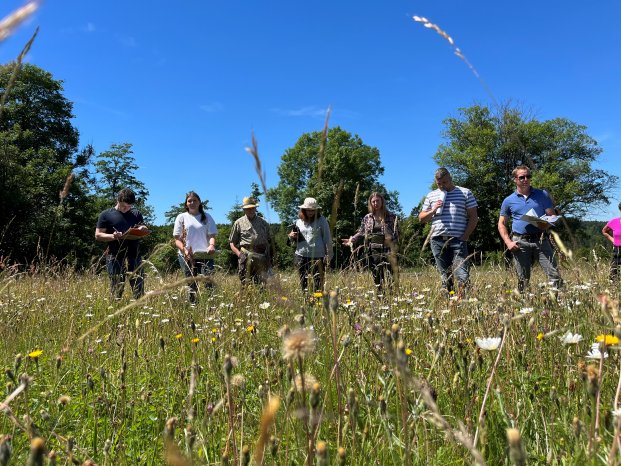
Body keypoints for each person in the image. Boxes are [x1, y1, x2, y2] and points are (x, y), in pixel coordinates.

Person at [498, 165, 561, 292]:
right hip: (520, 241)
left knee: (554, 275)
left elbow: (552, 215)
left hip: (541, 239)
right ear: (515, 179)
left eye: (528, 176)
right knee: (523, 278)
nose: (525, 179)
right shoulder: (508, 200)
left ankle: (558, 303)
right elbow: (501, 223)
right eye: (522, 177)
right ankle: (524, 305)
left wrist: (545, 223)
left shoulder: (542, 194)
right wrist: (508, 242)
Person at [419, 167, 478, 296]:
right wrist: (433, 210)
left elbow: (474, 217)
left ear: (450, 179)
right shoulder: (431, 195)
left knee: (462, 274)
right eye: (439, 183)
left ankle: (465, 303)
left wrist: (464, 237)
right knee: (445, 276)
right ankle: (449, 304)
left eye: (444, 182)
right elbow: (422, 218)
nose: (442, 186)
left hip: (458, 239)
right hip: (437, 240)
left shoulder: (465, 192)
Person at [95, 188, 149, 300]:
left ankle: (139, 309)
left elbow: (142, 228)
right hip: (114, 255)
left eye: (129, 207)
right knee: (116, 288)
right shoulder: (105, 214)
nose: (126, 209)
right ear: (117, 200)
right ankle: (115, 310)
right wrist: (112, 236)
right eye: (124, 206)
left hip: (134, 255)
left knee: (138, 288)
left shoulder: (136, 213)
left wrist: (143, 228)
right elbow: (98, 235)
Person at [342, 192, 399, 293]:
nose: (375, 203)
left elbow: (397, 234)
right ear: (370, 203)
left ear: (382, 201)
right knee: (377, 276)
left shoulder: (391, 216)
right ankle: (381, 298)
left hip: (389, 250)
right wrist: (352, 239)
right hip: (373, 251)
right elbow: (361, 232)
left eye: (377, 201)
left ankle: (392, 298)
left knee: (391, 277)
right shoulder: (367, 217)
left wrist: (391, 241)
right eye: (373, 202)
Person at [173, 191, 218, 303]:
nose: (192, 203)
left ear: (199, 203)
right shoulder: (181, 217)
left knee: (208, 281)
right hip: (187, 255)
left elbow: (212, 235)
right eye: (189, 201)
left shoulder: (207, 217)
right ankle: (193, 305)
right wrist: (184, 250)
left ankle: (211, 306)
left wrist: (212, 245)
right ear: (186, 203)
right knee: (191, 283)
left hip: (205, 255)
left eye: (195, 200)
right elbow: (177, 239)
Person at [288, 198, 333, 293]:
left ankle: (318, 304)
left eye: (313, 210)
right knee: (303, 284)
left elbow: (327, 238)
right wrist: (291, 236)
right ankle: (306, 303)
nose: (311, 212)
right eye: (308, 210)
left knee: (318, 284)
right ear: (304, 210)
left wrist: (329, 255)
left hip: (318, 257)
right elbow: (294, 239)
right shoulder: (298, 221)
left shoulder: (322, 220)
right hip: (301, 256)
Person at [229, 196, 274, 285]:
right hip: (245, 256)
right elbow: (232, 243)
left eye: (252, 208)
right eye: (248, 208)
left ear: (255, 208)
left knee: (262, 285)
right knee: (245, 284)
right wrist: (239, 254)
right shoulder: (238, 222)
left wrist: (269, 260)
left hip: (261, 257)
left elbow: (269, 242)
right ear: (244, 210)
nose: (250, 210)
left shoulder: (263, 223)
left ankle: (261, 299)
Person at [602, 202, 621, 282]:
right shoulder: (614, 222)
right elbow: (604, 231)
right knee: (614, 275)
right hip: (617, 250)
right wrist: (612, 239)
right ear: (620, 209)